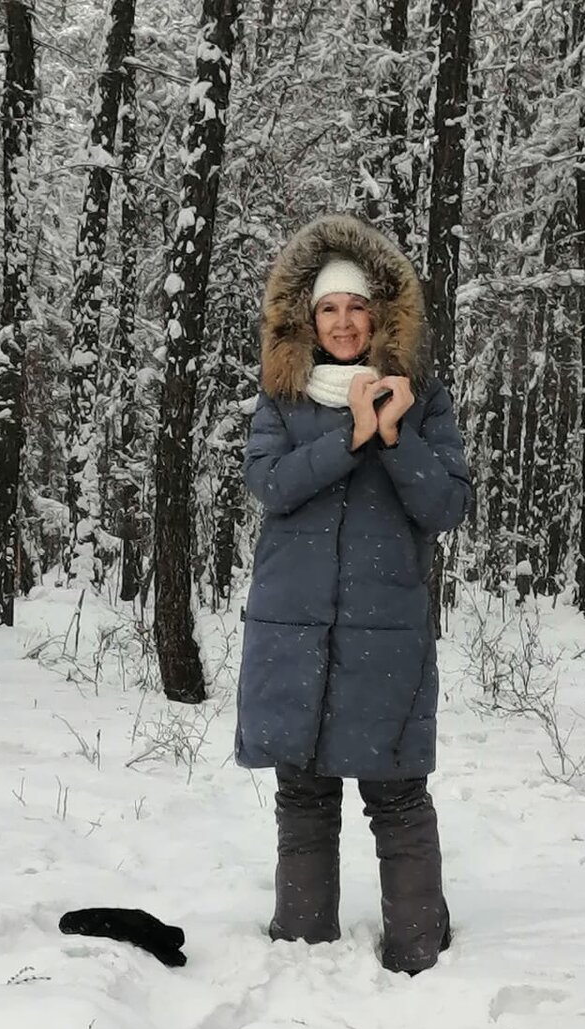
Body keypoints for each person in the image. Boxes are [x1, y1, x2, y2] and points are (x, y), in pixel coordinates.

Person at [235, 213, 472, 975]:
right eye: (329, 309)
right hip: (294, 633)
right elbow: (270, 485)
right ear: (308, 318)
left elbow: (445, 507)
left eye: (356, 307)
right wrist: (353, 436)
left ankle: (419, 957)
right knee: (303, 800)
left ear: (380, 315)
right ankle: (302, 961)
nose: (342, 322)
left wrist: (396, 435)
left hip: (386, 635)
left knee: (398, 799)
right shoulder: (284, 397)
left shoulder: (421, 399)